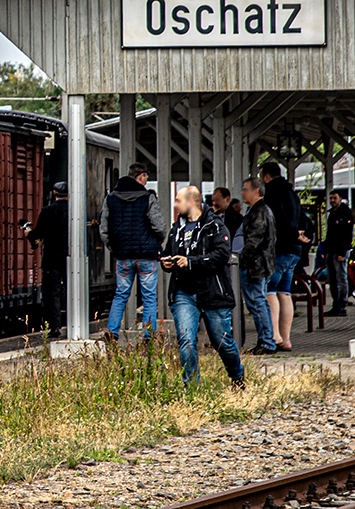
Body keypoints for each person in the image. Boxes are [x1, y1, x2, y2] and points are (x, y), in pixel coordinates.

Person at [161, 185, 245, 388]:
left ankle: (237, 377)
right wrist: (167, 263)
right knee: (186, 341)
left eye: (178, 201)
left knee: (222, 342)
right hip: (184, 292)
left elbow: (222, 255)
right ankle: (191, 388)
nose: (175, 205)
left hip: (212, 292)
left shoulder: (215, 226)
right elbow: (169, 252)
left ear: (191, 202)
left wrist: (191, 262)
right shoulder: (177, 228)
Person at [100, 163, 167, 341]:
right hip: (146, 256)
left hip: (123, 257)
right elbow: (159, 226)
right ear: (140, 176)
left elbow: (104, 230)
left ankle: (112, 331)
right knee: (149, 297)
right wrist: (159, 240)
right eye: (146, 177)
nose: (146, 180)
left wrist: (114, 248)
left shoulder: (111, 198)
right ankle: (148, 335)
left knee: (121, 294)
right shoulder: (147, 198)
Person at [261, 162, 304, 352]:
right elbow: (305, 220)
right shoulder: (292, 194)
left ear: (266, 176)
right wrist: (299, 235)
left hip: (278, 249)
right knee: (285, 293)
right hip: (294, 250)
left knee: (270, 290)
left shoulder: (271, 193)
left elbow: (277, 218)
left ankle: (274, 336)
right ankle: (286, 339)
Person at [234, 175, 276, 354]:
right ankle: (267, 340)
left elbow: (254, 240)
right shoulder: (260, 210)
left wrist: (242, 259)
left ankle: (266, 342)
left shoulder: (259, 212)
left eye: (245, 189)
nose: (242, 192)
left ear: (256, 191)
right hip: (260, 263)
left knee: (257, 303)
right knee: (259, 302)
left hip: (255, 265)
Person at [23, 182, 69, 338]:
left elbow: (38, 234)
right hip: (71, 257)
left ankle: (55, 327)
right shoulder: (75, 211)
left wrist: (28, 232)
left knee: (52, 293)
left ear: (54, 193)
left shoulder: (47, 211)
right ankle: (75, 322)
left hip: (52, 258)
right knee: (72, 290)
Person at [321, 189, 355, 316]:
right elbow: (329, 234)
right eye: (331, 198)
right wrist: (325, 250)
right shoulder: (332, 214)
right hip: (330, 251)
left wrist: (342, 251)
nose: (332, 201)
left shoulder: (345, 214)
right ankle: (336, 304)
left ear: (340, 198)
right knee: (332, 279)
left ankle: (342, 305)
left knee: (341, 278)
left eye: (334, 198)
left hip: (340, 251)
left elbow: (347, 235)